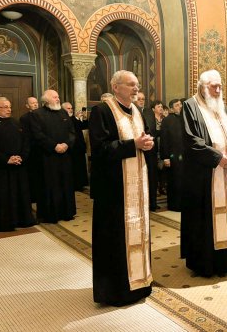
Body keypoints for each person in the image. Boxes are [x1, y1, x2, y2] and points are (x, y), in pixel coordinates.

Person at [89, 70, 154, 306]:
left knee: (139, 233)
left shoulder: (137, 111)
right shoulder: (102, 111)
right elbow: (100, 149)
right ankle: (116, 291)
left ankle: (140, 285)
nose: (136, 89)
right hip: (114, 189)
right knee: (115, 239)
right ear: (116, 87)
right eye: (131, 85)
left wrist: (146, 144)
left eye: (137, 85)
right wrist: (133, 145)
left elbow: (141, 139)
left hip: (138, 185)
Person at [181, 69, 227, 277]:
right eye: (213, 86)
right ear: (202, 87)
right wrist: (218, 158)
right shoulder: (191, 106)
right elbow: (191, 141)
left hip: (226, 173)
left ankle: (223, 260)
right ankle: (204, 263)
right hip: (203, 175)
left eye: (219, 86)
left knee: (225, 217)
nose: (217, 90)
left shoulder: (223, 108)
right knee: (204, 219)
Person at [30, 90, 76, 223]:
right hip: (47, 157)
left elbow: (72, 132)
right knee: (50, 185)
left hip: (65, 156)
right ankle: (51, 215)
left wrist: (67, 144)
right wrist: (54, 146)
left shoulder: (63, 113)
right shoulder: (37, 114)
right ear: (47, 100)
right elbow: (37, 135)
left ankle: (67, 212)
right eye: (55, 97)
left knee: (66, 184)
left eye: (58, 96)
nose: (58, 99)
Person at [0, 97, 35, 231]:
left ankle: (23, 219)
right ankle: (6, 223)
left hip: (19, 165)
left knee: (21, 192)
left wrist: (21, 157)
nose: (9, 109)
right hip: (1, 168)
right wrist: (6, 159)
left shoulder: (16, 122)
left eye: (9, 106)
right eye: (5, 107)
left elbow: (26, 141)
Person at [161, 98, 185, 211]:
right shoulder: (167, 120)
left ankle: (183, 204)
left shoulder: (185, 118)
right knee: (174, 181)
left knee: (183, 181)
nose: (179, 106)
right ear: (171, 108)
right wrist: (165, 157)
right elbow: (164, 140)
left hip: (184, 156)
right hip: (172, 156)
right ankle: (174, 205)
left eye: (180, 104)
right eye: (176, 105)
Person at [62, 102, 89, 191]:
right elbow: (73, 127)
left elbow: (83, 126)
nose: (71, 110)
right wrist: (76, 118)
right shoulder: (63, 118)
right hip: (71, 147)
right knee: (74, 167)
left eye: (71, 108)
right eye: (68, 108)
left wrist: (84, 119)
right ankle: (75, 185)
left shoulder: (74, 119)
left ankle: (81, 184)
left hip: (79, 146)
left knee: (80, 166)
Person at [19, 96, 40, 203]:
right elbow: (26, 136)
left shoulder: (43, 115)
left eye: (36, 102)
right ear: (27, 106)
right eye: (32, 103)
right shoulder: (24, 118)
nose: (35, 104)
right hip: (32, 150)